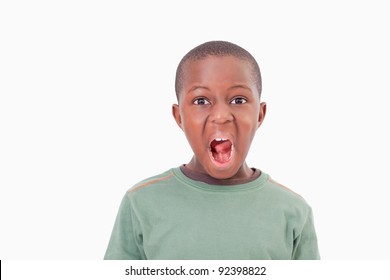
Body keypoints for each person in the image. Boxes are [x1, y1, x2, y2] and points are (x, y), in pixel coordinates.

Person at [104, 41, 320, 260]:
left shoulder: (293, 210)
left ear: (260, 115)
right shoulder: (141, 202)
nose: (220, 115)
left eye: (238, 100)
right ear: (180, 117)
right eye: (201, 100)